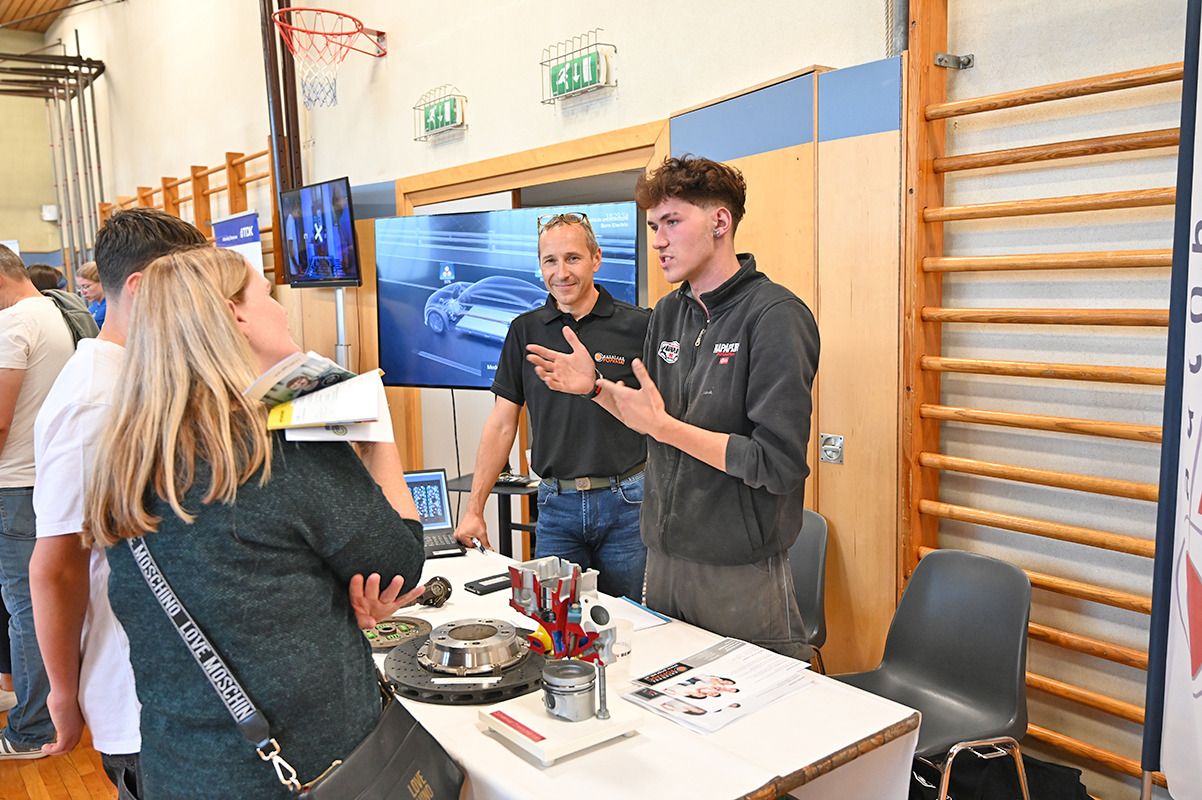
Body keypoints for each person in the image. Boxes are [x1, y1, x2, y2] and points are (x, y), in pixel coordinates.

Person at [85, 245, 427, 799]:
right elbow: (400, 562)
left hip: (178, 766)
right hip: (305, 768)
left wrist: (329, 604)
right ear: (235, 315)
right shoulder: (278, 453)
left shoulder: (128, 461)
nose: (282, 308)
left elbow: (238, 588)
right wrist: (377, 435)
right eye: (268, 293)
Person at [527, 156, 820, 659]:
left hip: (738, 572)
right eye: (652, 227)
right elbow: (649, 417)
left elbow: (776, 464)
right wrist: (595, 389)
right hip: (662, 561)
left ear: (720, 221)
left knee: (745, 706)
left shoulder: (775, 316)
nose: (658, 241)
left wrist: (664, 429)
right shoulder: (667, 313)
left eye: (672, 222)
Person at [28, 208, 208, 796]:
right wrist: (62, 690)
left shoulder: (140, 376)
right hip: (137, 697)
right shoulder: (96, 400)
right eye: (193, 285)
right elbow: (57, 565)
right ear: (142, 286)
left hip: (175, 681)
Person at [453, 212, 651, 600]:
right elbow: (502, 423)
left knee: (628, 620)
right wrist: (474, 508)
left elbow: (657, 416)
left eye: (573, 258)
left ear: (596, 258)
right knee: (552, 618)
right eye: (550, 261)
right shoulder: (524, 330)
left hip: (627, 503)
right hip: (556, 507)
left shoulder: (639, 326)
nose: (561, 272)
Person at [0, 244, 74, 758]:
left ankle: (31, 728)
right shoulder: (52, 311)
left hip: (15, 483)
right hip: (39, 478)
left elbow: (0, 421)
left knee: (26, 607)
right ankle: (32, 709)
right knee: (30, 603)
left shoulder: (14, 325)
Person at [77, 261, 106, 328]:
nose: (82, 292)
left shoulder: (110, 307)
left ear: (102, 281)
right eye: (79, 288)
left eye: (86, 286)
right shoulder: (94, 306)